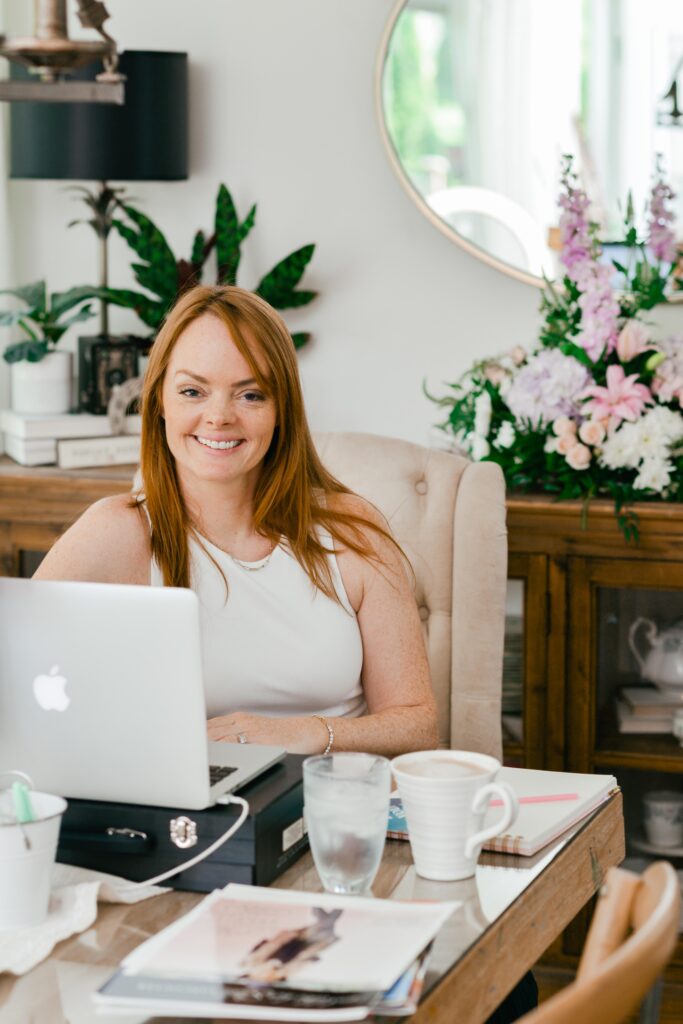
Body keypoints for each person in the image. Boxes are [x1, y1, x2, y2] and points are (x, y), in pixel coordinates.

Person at [35, 285, 439, 758]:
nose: (219, 417)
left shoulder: (350, 531)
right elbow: (18, 677)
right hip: (186, 812)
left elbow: (418, 724)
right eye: (192, 391)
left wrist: (308, 733)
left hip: (329, 807)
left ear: (281, 410)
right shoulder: (115, 532)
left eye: (250, 394)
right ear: (160, 400)